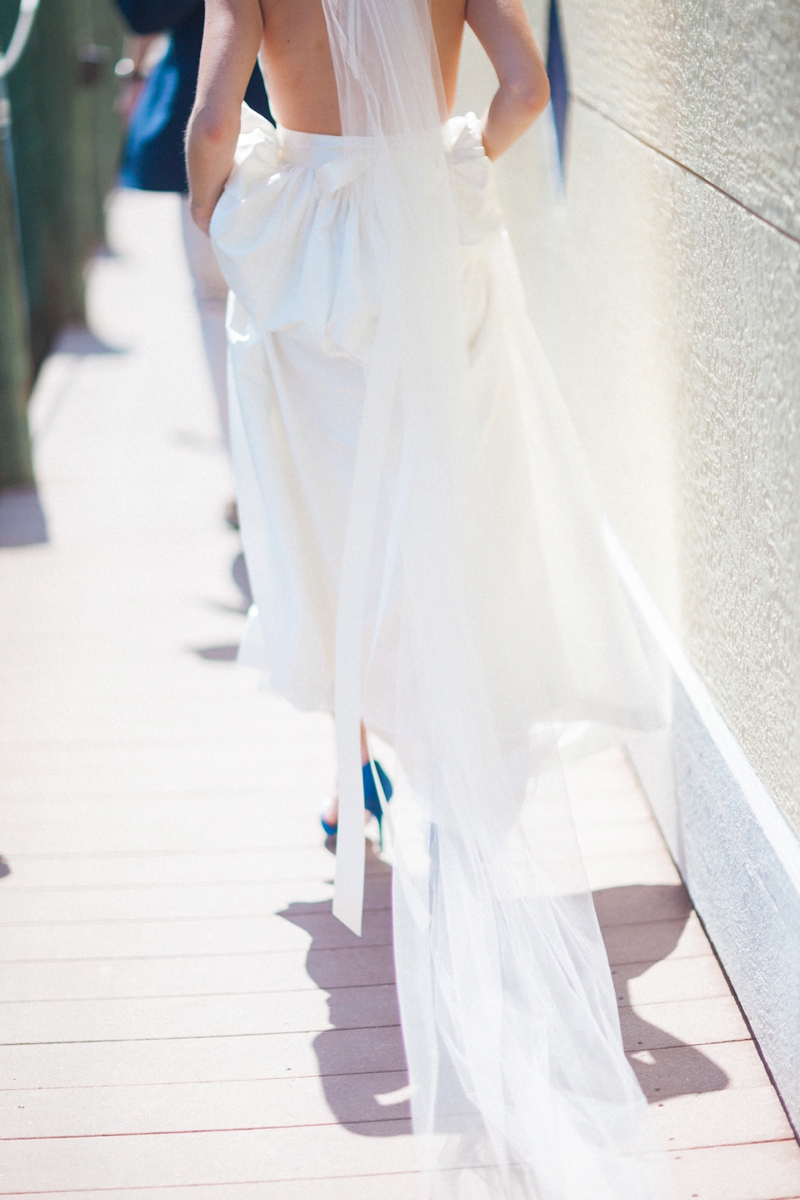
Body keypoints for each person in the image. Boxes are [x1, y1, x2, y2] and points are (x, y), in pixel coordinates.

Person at [187, 1, 668, 1195]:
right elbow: (523, 91)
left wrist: (231, 218)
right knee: (447, 513)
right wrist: (450, 165)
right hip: (426, 243)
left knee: (335, 515)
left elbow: (206, 122)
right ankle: (446, 750)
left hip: (309, 254)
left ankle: (361, 751)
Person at [116, 0, 272, 520]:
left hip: (211, 106)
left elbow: (142, 11)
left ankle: (252, 476)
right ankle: (270, 472)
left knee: (217, 306)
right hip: (321, 117)